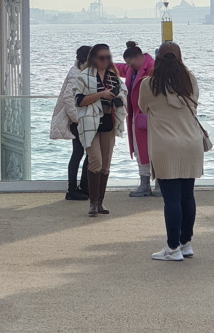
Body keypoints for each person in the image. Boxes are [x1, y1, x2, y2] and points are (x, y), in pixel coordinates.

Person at [138, 41, 208, 261]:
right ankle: (186, 243)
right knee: (188, 195)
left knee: (172, 199)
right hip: (191, 145)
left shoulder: (149, 84)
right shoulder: (190, 81)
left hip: (165, 146)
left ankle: (172, 248)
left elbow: (142, 107)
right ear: (180, 58)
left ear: (157, 59)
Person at [75, 44, 126, 217]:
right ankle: (92, 203)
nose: (106, 61)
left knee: (105, 164)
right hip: (90, 122)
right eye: (102, 58)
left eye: (108, 57)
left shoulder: (114, 77)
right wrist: (101, 94)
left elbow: (122, 95)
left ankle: (99, 202)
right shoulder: (84, 77)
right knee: (95, 160)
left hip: (108, 122)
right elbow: (79, 100)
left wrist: (118, 100)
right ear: (94, 59)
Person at [50, 45, 91, 201]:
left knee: (81, 153)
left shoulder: (78, 72)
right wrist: (77, 118)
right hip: (78, 120)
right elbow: (69, 98)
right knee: (80, 154)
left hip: (79, 119)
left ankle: (79, 187)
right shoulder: (76, 74)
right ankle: (74, 188)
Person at [119, 41, 155, 197]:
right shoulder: (133, 69)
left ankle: (158, 182)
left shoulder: (152, 68)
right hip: (137, 117)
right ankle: (145, 183)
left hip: (151, 116)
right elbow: (120, 68)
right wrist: (100, 62)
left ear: (139, 57)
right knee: (141, 150)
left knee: (154, 149)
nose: (130, 66)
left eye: (131, 62)